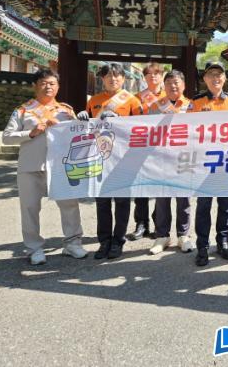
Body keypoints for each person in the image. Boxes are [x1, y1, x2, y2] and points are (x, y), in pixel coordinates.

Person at [2, 69, 87, 265]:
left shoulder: (66, 111)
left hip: (60, 166)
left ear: (58, 87)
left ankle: (73, 243)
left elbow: (78, 135)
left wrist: (80, 122)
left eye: (52, 83)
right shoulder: (23, 110)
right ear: (35, 85)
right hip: (30, 166)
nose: (48, 87)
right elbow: (6, 137)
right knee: (30, 208)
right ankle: (34, 248)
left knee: (69, 205)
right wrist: (31, 133)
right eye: (43, 83)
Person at [81, 63, 143, 260]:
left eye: (117, 76)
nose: (112, 79)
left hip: (123, 159)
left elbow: (141, 128)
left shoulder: (132, 101)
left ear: (123, 79)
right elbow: (88, 129)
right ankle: (104, 241)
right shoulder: (94, 101)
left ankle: (118, 241)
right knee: (102, 202)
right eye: (108, 76)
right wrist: (82, 119)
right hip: (99, 158)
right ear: (102, 79)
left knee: (122, 202)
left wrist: (117, 119)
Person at [189, 61, 228, 266]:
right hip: (204, 162)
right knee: (204, 205)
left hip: (227, 162)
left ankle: (223, 242)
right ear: (204, 79)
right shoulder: (196, 102)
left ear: (225, 78)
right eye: (211, 74)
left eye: (219, 74)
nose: (215, 78)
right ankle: (202, 246)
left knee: (225, 205)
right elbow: (187, 131)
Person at [146, 70, 193, 255]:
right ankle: (162, 236)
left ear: (184, 85)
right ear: (163, 86)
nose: (173, 86)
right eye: (169, 83)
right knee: (162, 199)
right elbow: (147, 131)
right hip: (161, 158)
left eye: (177, 83)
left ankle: (183, 235)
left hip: (184, 157)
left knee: (184, 198)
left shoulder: (192, 106)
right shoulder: (155, 106)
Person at [128, 62, 167, 241]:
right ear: (144, 77)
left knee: (160, 187)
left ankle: (159, 221)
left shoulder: (169, 96)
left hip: (163, 148)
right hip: (141, 146)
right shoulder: (136, 98)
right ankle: (141, 224)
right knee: (141, 187)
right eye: (149, 74)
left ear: (162, 75)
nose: (153, 76)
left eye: (157, 73)